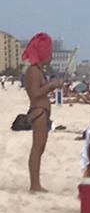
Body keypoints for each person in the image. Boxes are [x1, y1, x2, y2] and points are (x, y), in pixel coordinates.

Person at [21, 34, 62, 193]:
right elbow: (34, 93)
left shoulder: (38, 70)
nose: (51, 57)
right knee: (37, 149)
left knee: (40, 148)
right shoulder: (33, 71)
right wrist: (51, 85)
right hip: (38, 111)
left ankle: (36, 183)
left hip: (43, 111)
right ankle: (34, 185)